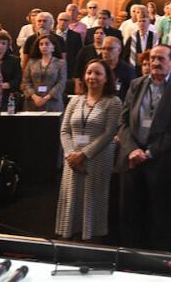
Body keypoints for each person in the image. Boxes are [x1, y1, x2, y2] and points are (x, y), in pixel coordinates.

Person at [117, 44, 171, 251]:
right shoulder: (136, 84)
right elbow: (123, 122)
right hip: (131, 160)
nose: (155, 63)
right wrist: (132, 149)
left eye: (161, 59)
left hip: (160, 162)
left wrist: (149, 153)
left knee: (159, 217)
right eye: (152, 58)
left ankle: (157, 261)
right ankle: (129, 259)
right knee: (130, 215)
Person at [55, 59, 122, 241]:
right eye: (89, 72)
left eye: (98, 73)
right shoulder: (75, 100)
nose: (92, 77)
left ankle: (92, 235)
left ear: (106, 78)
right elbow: (64, 130)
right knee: (72, 196)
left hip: (98, 158)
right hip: (72, 160)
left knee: (93, 197)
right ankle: (71, 233)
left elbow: (110, 133)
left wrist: (83, 155)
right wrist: (70, 155)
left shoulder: (113, 102)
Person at [22, 34, 68, 112]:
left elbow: (61, 83)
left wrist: (46, 98)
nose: (44, 46)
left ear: (53, 47)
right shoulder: (31, 62)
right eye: (41, 44)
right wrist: (34, 97)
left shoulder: (60, 63)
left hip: (53, 102)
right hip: (32, 102)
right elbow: (26, 81)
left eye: (47, 44)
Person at [0, 31, 22, 107]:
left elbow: (18, 79)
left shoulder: (15, 60)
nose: (0, 45)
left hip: (6, 96)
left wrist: (4, 85)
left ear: (7, 46)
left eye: (3, 43)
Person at [55, 13, 84, 85]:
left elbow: (78, 56)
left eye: (65, 20)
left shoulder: (76, 36)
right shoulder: (51, 35)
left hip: (69, 70)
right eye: (61, 20)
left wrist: (76, 74)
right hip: (53, 69)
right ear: (57, 20)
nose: (63, 22)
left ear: (70, 22)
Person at [74, 27, 105, 92]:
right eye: (96, 33)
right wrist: (77, 86)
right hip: (86, 82)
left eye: (101, 33)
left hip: (102, 84)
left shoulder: (106, 51)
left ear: (106, 36)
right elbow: (77, 70)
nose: (98, 35)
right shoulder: (85, 50)